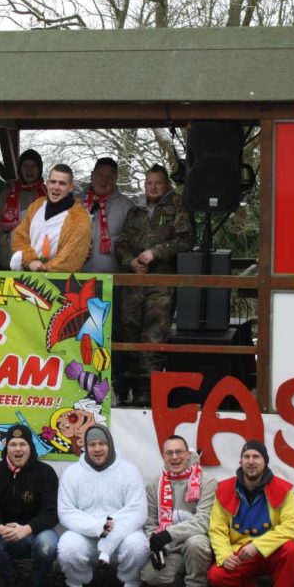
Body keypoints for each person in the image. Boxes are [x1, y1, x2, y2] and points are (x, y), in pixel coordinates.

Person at [114, 164, 196, 406]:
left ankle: (148, 392)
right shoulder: (135, 209)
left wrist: (156, 252)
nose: (153, 187)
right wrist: (130, 262)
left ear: (166, 184)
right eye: (149, 182)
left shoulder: (177, 206)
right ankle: (127, 389)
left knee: (154, 336)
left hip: (160, 283)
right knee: (129, 331)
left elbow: (186, 239)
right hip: (134, 282)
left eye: (158, 183)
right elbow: (122, 243)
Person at [207, 440, 294, 587]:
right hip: (241, 553)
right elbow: (217, 529)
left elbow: (292, 527)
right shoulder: (224, 489)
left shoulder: (283, 489)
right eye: (246, 457)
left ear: (265, 461)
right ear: (241, 461)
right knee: (216, 576)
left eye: (256, 457)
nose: (251, 461)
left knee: (293, 552)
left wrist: (258, 546)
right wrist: (225, 555)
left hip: (272, 551)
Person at [57, 424, 148, 587]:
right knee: (68, 547)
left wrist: (111, 528)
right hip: (86, 534)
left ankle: (130, 585)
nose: (97, 449)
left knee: (138, 545)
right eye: (92, 444)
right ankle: (77, 584)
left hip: (122, 533)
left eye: (102, 444)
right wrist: (97, 527)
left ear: (110, 445)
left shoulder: (129, 471)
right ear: (86, 447)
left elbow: (138, 510)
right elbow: (66, 512)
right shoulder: (72, 473)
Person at [0, 424, 59, 587]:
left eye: (23, 444)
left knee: (49, 544)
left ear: (31, 447)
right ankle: (10, 579)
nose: (18, 449)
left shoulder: (46, 473)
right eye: (13, 444)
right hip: (3, 532)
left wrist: (27, 529)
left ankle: (38, 582)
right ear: (6, 447)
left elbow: (51, 513)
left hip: (34, 531)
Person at [141, 434, 217, 587]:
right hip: (171, 547)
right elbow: (151, 522)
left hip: (197, 544)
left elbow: (203, 521)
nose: (175, 457)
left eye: (179, 452)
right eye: (169, 453)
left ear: (188, 455)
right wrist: (158, 544)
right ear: (164, 456)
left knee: (195, 543)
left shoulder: (207, 482)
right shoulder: (154, 485)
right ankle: (188, 584)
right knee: (149, 576)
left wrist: (168, 534)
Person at [9, 164, 92, 273]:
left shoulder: (80, 218)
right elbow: (19, 237)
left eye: (62, 183)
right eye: (53, 182)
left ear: (71, 187)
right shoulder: (36, 206)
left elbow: (71, 259)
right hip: (27, 278)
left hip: (59, 283)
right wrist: (29, 261)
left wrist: (42, 269)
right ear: (47, 184)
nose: (56, 187)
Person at [79, 157, 132, 274]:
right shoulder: (74, 202)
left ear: (115, 179)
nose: (104, 180)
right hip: (76, 276)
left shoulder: (127, 206)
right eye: (100, 175)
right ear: (92, 175)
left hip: (113, 279)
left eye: (109, 177)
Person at [0, 149, 45, 269]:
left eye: (33, 166)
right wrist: (6, 242)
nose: (29, 170)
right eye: (25, 166)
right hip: (10, 258)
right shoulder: (6, 195)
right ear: (20, 169)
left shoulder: (48, 194)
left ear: (39, 169)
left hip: (39, 260)